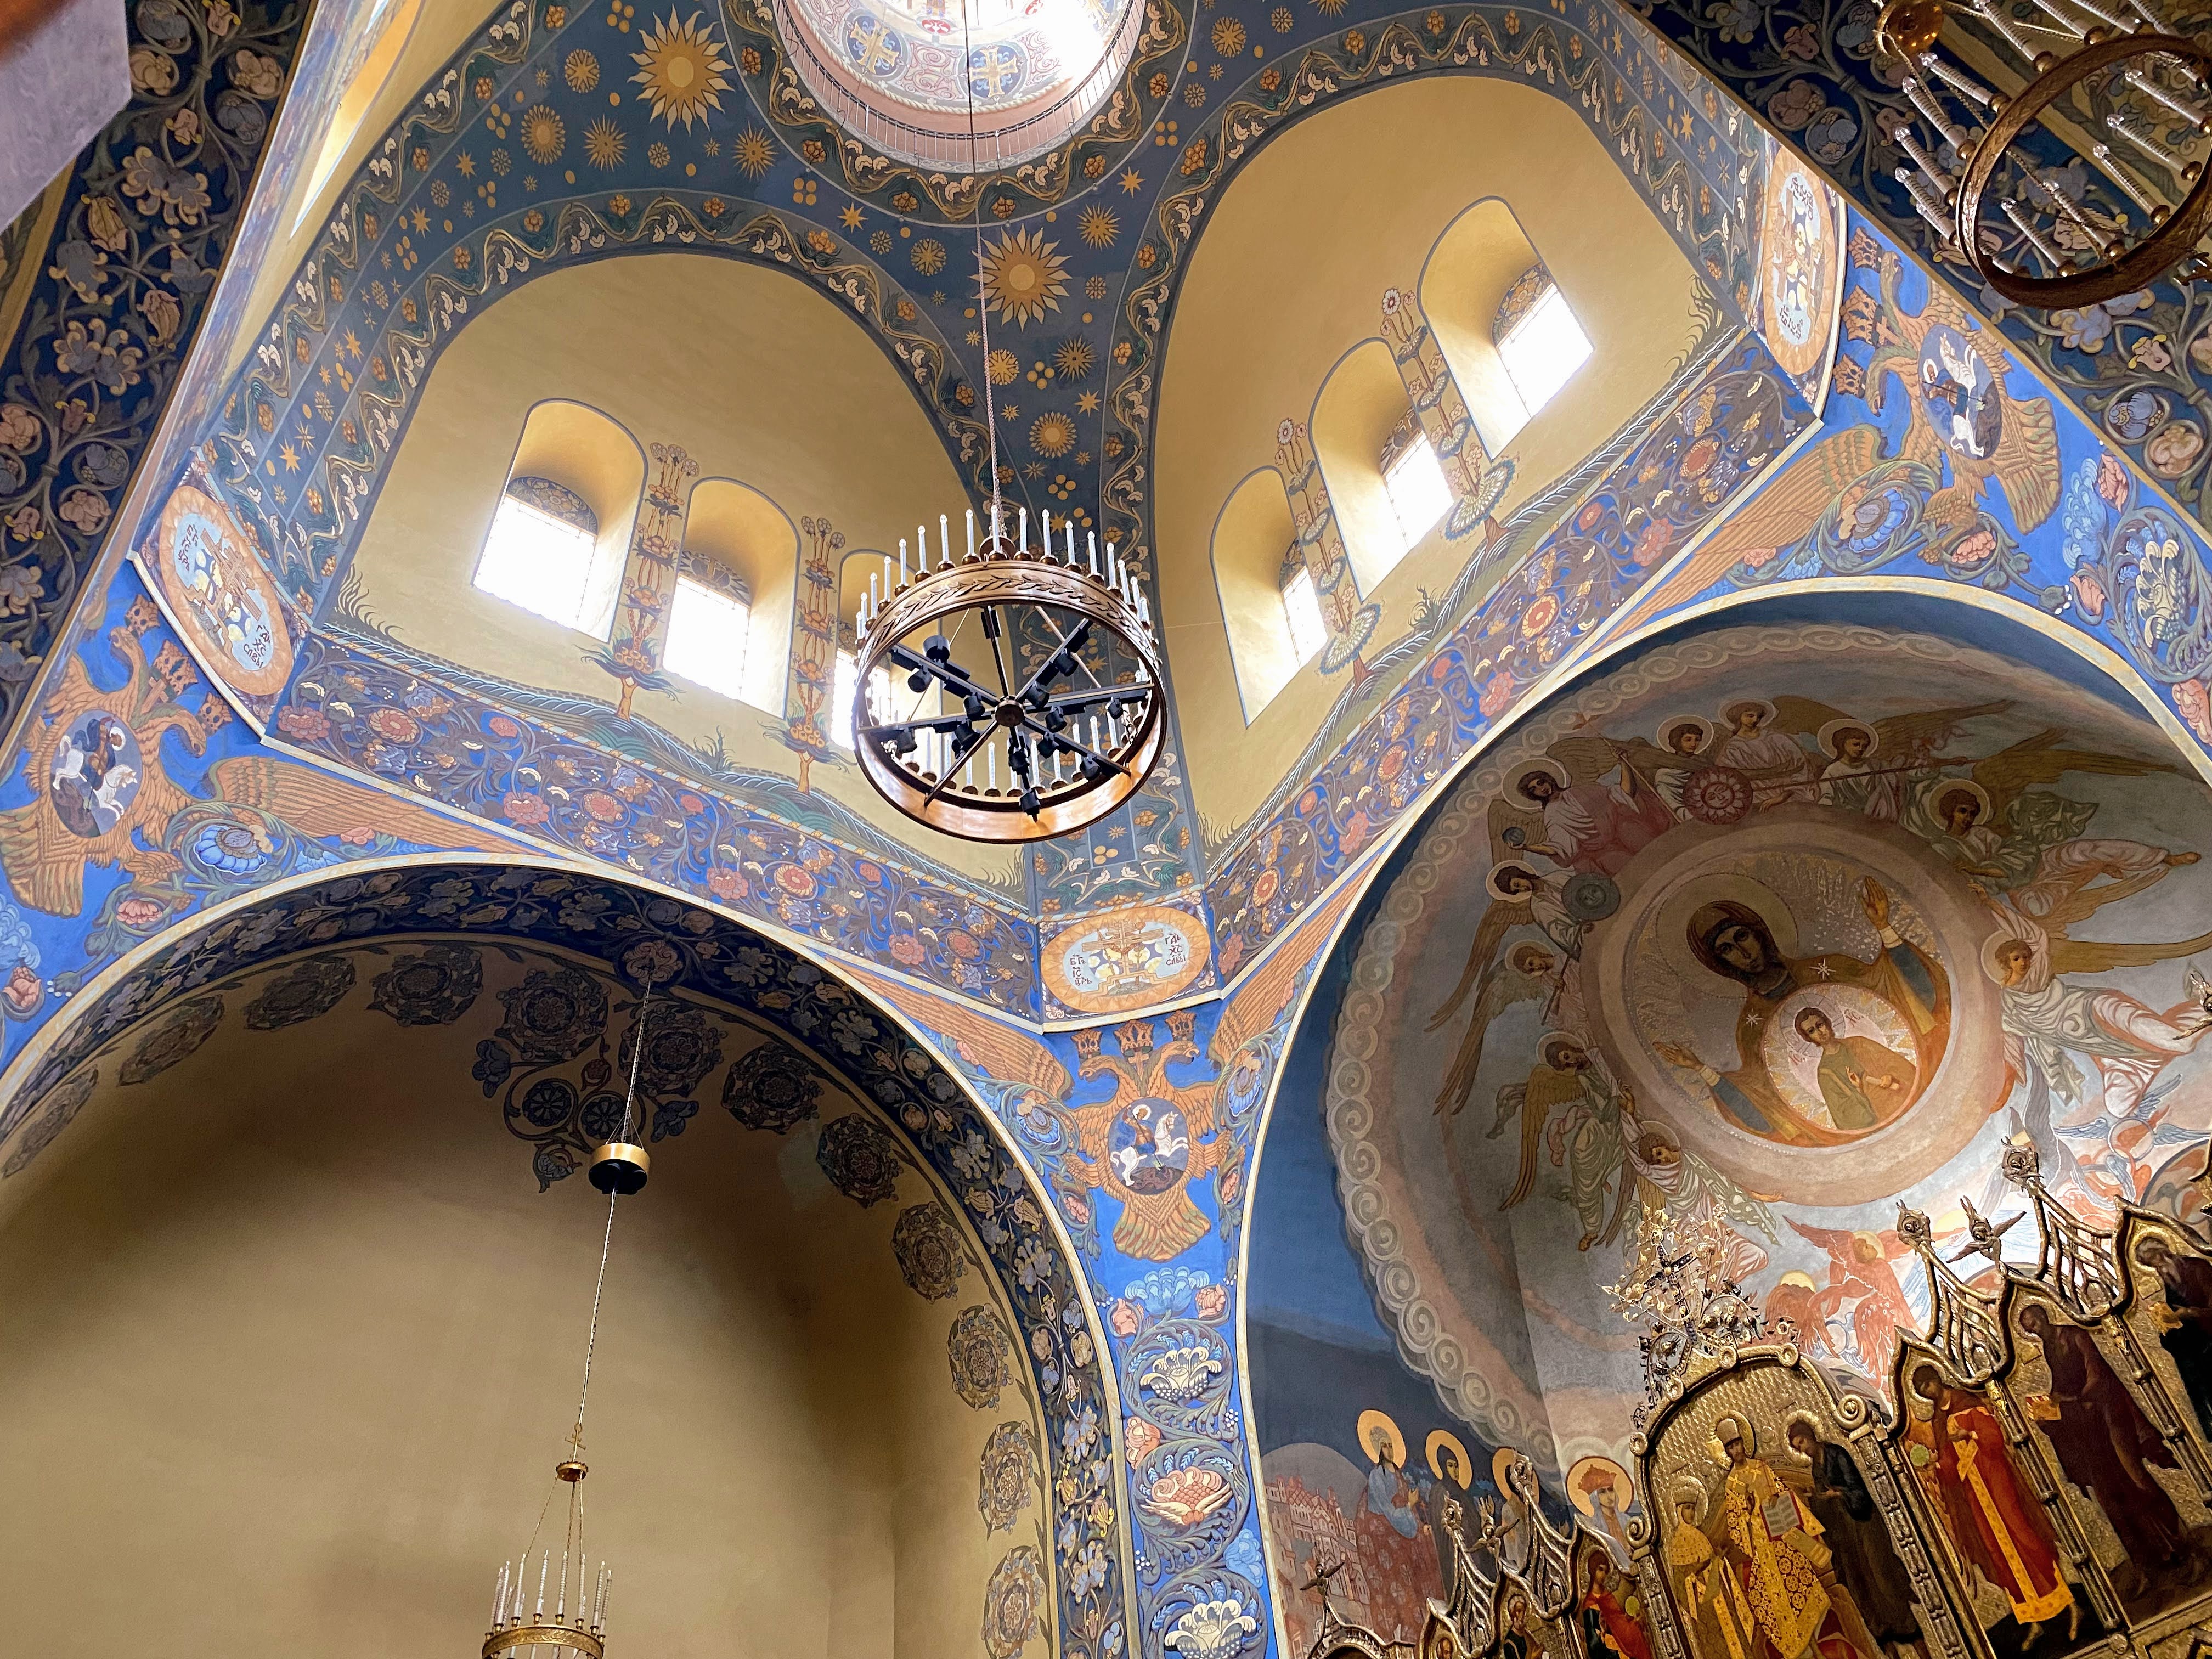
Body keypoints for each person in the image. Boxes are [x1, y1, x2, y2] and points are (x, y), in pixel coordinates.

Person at [1655, 882, 1943, 1146]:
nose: (1743, 953)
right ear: (1719, 964)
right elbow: (1765, 1113)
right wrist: (1700, 1069)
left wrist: (1884, 928)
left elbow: (1918, 999)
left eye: (1742, 935)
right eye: (1727, 949)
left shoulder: (1835, 969)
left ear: (1760, 932)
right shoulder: (1751, 1030)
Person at [2015, 1303, 2196, 1601]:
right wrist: (2050, 1406)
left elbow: (2097, 1376)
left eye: (2034, 1320)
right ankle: (2146, 1565)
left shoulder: (2073, 1335)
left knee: (2137, 1480)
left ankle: (2185, 1548)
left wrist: (2067, 1401)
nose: (2033, 1327)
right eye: (2028, 1327)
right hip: (2086, 1425)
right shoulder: (2049, 1348)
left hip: (2109, 1416)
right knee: (2111, 1498)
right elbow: (2062, 1385)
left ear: (2045, 1316)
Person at [1901, 1367, 2073, 1641]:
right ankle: (2029, 1614)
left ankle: (2066, 1600)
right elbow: (1949, 1462)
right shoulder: (1938, 1420)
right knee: (1995, 1548)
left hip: (1995, 1479)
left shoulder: (1966, 1402)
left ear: (1937, 1380)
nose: (1927, 1391)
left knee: (2021, 1531)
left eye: (1928, 1384)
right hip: (1974, 1492)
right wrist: (1935, 1465)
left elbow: (1994, 1440)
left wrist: (1969, 1435)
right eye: (1922, 1390)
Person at [1713, 1415, 1881, 1659]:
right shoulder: (1733, 1483)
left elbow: (1784, 1494)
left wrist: (1777, 1501)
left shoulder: (1762, 1468)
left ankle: (1816, 1645)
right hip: (1762, 1547)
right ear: (1727, 1452)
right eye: (1731, 1447)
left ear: (1744, 1443)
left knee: (1805, 1590)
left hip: (1783, 1538)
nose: (1736, 1450)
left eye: (1738, 1443)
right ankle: (1803, 1652)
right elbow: (1736, 1527)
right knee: (1773, 1602)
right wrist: (1749, 1511)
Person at [1785, 1418, 1922, 1654]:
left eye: (1803, 1442)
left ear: (1811, 1435)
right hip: (1846, 1534)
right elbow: (1824, 1504)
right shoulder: (1816, 1468)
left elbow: (1857, 1489)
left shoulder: (1836, 1454)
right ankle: (1888, 1647)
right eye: (1799, 1448)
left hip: (1864, 1523)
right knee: (1862, 1587)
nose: (1804, 1449)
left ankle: (1917, 1641)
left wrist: (1836, 1493)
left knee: (1882, 1578)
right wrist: (1813, 1501)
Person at [2136, 1234, 2212, 1446]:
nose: (2158, 1266)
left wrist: (2191, 1313)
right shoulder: (2166, 1278)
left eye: (2156, 1259)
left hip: (2208, 1338)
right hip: (2190, 1347)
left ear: (2164, 1251)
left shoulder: (2197, 1267)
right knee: (2197, 1389)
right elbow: (2175, 1310)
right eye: (2151, 1264)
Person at [1792, 1007, 1917, 1134]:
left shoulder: (1858, 1043)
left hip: (1897, 1093)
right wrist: (1859, 1090)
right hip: (1877, 1114)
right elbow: (1843, 1115)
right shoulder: (1825, 1072)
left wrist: (1890, 1075)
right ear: (1809, 1038)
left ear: (1827, 1023)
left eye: (1820, 1025)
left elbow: (1893, 1062)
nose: (1820, 1032)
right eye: (1812, 1031)